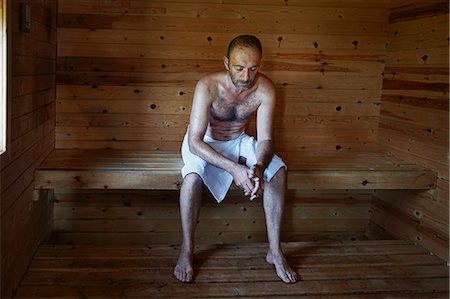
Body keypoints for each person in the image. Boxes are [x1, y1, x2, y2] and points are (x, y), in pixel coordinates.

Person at [173, 35, 297, 284]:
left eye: (253, 68)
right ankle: (187, 249)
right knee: (192, 179)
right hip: (204, 142)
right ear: (226, 62)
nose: (245, 77)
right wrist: (236, 170)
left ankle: (274, 251)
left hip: (238, 140)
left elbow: (265, 141)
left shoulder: (265, 89)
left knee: (278, 171)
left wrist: (258, 168)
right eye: (239, 68)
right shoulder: (207, 85)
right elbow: (194, 142)